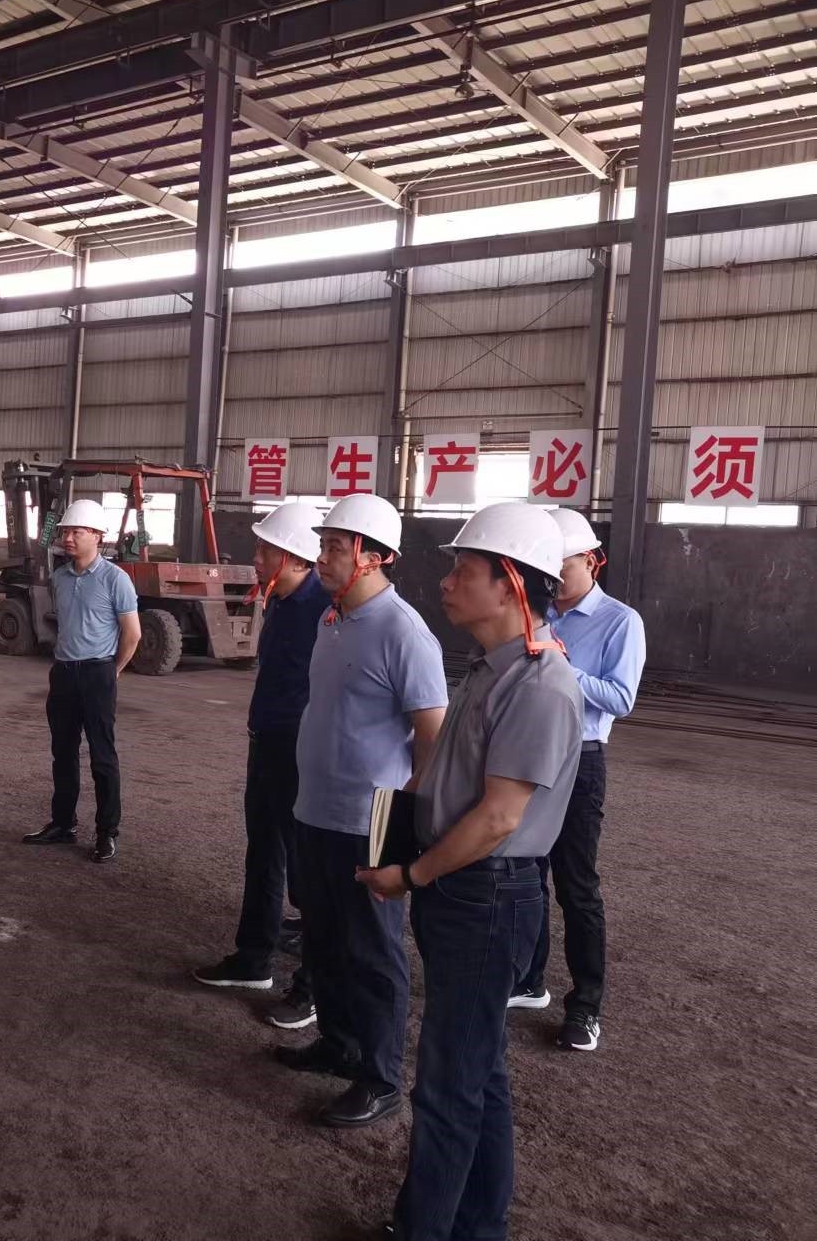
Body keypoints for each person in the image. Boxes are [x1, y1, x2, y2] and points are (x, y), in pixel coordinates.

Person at [357, 502, 582, 1241]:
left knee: (450, 1082)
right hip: (465, 888)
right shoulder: (490, 669)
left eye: (464, 571)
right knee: (477, 1070)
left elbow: (498, 819)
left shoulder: (540, 686)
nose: (447, 583)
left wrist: (412, 876)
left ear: (511, 584)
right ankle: (477, 1225)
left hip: (487, 895)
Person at [275, 493, 447, 1128]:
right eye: (322, 545)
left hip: (370, 817)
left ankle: (380, 1078)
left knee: (372, 950)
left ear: (375, 557)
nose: (320, 557)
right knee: (322, 937)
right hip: (315, 808)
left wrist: (406, 818)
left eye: (333, 548)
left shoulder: (404, 632)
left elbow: (432, 734)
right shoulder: (332, 618)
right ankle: (338, 1045)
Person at [508, 508, 644, 1052]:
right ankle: (528, 980)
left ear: (590, 560)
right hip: (530, 751)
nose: (552, 576)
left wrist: (560, 666)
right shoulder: (536, 613)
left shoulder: (620, 621)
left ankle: (586, 1006)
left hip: (581, 758)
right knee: (526, 872)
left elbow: (621, 698)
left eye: (560, 565)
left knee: (576, 885)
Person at [193, 502, 329, 1032]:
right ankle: (253, 959)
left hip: (301, 753)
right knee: (264, 854)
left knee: (307, 871)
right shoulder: (282, 600)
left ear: (294, 557)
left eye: (265, 549)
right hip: (268, 745)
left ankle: (313, 987)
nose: (255, 557)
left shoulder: (324, 610)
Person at [21, 497, 142, 864]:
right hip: (63, 673)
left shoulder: (115, 579)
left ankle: (107, 833)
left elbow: (132, 634)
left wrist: (112, 671)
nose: (68, 538)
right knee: (63, 752)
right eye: (65, 532)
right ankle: (63, 824)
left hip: (97, 673)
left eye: (76, 532)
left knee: (102, 756)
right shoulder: (60, 577)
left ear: (97, 536)